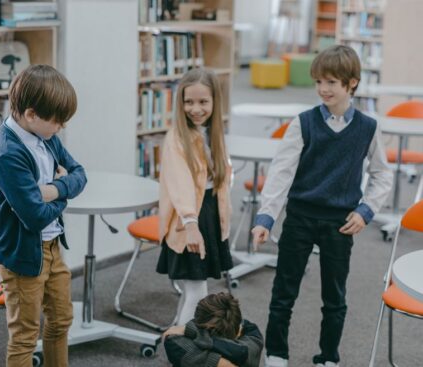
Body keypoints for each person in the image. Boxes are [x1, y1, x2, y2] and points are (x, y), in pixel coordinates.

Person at [251, 45, 393, 367]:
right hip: (300, 217)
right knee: (283, 292)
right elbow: (280, 173)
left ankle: (328, 357)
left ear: (352, 82)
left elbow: (383, 175)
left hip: (339, 223)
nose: (323, 89)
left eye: (331, 82)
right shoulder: (303, 123)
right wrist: (266, 218)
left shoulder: (368, 128)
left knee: (335, 297)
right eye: (319, 82)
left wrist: (365, 210)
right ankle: (276, 354)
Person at [0, 64, 87, 367]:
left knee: (61, 321)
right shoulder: (8, 153)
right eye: (57, 121)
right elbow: (35, 216)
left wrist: (55, 190)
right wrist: (64, 196)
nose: (62, 127)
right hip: (21, 254)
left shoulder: (45, 135)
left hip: (52, 247)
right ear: (31, 114)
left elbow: (80, 175)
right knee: (25, 335)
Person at [156, 68, 233, 325]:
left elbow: (219, 179)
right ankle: (184, 348)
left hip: (209, 215)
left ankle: (176, 338)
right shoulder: (177, 138)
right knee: (198, 292)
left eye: (203, 102)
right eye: (189, 102)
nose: (195, 108)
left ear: (214, 102)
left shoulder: (213, 134)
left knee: (194, 288)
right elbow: (181, 185)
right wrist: (191, 224)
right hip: (188, 220)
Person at [163, 292, 263, 367]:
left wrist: (193, 332)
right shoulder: (253, 340)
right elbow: (241, 349)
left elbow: (169, 337)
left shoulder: (182, 348)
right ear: (238, 330)